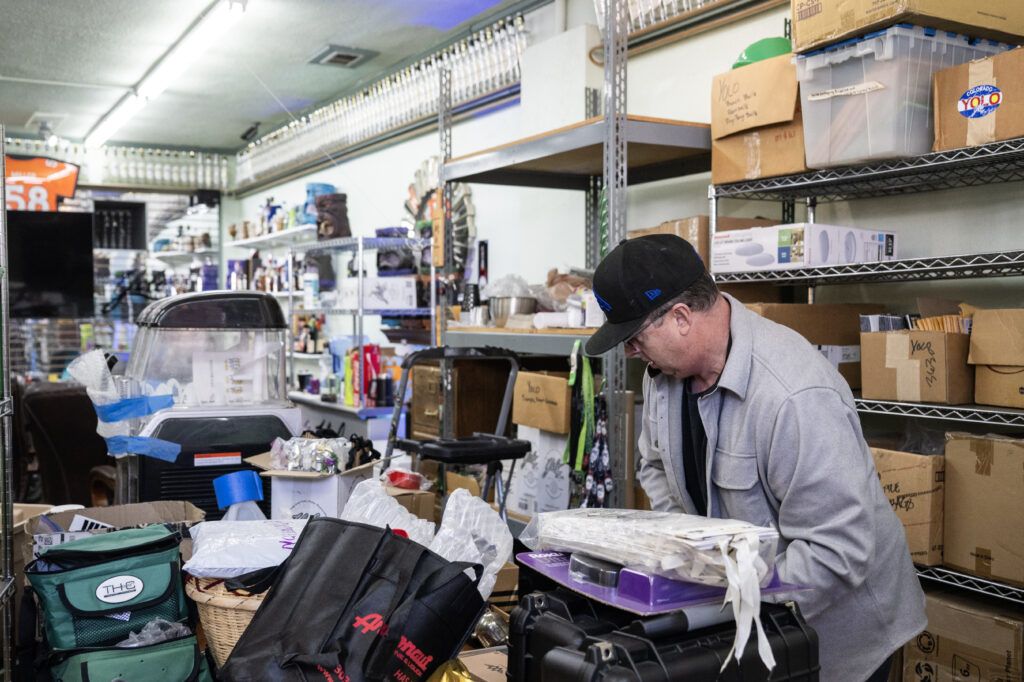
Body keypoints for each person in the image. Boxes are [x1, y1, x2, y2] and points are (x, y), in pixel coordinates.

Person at [584, 234, 925, 682]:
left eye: (634, 337)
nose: (630, 351)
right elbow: (654, 465)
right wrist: (692, 555)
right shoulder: (663, 375)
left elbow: (838, 553)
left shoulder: (793, 395)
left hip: (839, 638)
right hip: (752, 621)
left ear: (681, 317)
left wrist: (729, 592)